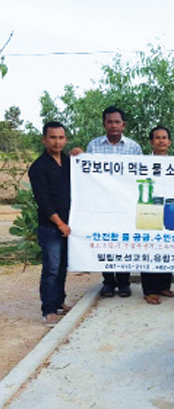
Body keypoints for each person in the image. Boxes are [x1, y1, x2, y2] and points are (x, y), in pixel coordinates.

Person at [87, 106, 143, 298]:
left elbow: (139, 174)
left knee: (123, 242)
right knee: (106, 242)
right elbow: (87, 173)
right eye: (109, 122)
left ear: (123, 125)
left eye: (117, 122)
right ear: (104, 124)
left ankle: (124, 282)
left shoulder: (134, 148)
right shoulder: (93, 146)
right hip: (102, 203)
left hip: (125, 203)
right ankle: (108, 282)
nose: (113, 125)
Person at [29, 121, 71, 327]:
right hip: (50, 226)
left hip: (68, 225)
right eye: (53, 137)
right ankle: (49, 310)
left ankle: (59, 302)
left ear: (66, 139)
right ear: (44, 139)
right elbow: (43, 200)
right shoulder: (38, 167)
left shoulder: (69, 162)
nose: (57, 142)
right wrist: (59, 223)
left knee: (63, 266)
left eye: (61, 137)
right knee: (51, 269)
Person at [141, 126, 174, 304]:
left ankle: (164, 285)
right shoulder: (143, 163)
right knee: (149, 247)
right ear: (151, 142)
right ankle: (150, 290)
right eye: (157, 138)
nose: (161, 141)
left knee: (167, 245)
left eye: (164, 138)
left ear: (169, 142)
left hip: (170, 208)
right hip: (150, 207)